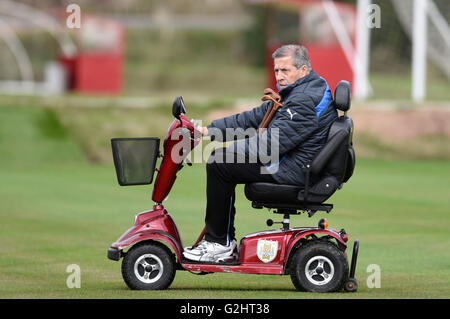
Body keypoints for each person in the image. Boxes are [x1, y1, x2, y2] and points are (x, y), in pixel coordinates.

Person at [182, 44, 338, 262]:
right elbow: (253, 118)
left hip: (293, 170)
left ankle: (219, 244)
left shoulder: (303, 100)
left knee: (220, 164)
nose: (279, 77)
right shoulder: (304, 89)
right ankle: (221, 241)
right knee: (222, 161)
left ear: (303, 70)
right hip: (294, 163)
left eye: (285, 71)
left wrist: (226, 152)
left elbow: (269, 146)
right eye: (276, 71)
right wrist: (207, 131)